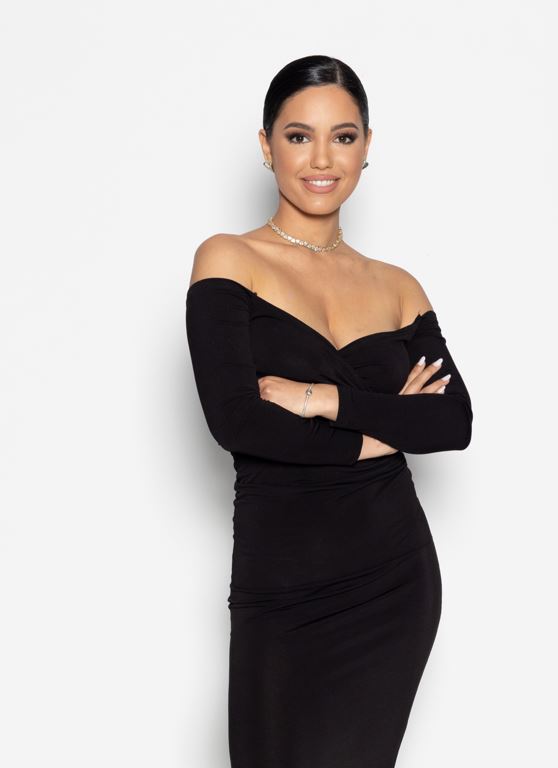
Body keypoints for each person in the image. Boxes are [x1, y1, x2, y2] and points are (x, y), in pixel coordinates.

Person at [185, 54, 473, 768]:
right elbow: (238, 421)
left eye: (343, 137)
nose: (321, 159)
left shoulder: (397, 286)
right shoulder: (227, 259)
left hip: (392, 578)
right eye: (298, 136)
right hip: (281, 582)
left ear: (366, 146)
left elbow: (452, 422)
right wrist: (384, 429)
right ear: (266, 145)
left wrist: (319, 399)